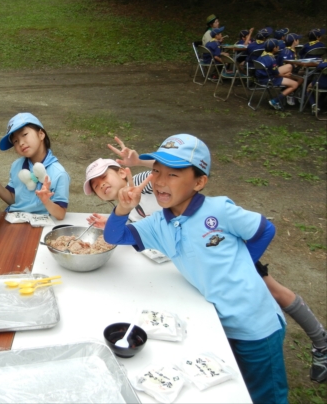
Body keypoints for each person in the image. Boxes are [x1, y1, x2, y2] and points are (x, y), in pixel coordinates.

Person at [87, 136, 327, 385]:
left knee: (264, 393)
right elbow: (115, 236)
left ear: (199, 182)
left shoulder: (219, 210)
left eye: (173, 175)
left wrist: (242, 264)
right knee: (237, 386)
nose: (159, 181)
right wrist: (122, 210)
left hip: (255, 326)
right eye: (156, 171)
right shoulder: (158, 224)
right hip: (216, 322)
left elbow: (264, 230)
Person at [0, 113, 69, 220]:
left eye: (24, 135)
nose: (21, 143)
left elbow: (60, 214)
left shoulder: (58, 173)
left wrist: (46, 201)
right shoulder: (17, 166)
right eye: (15, 141)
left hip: (41, 224)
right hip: (16, 219)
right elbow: (13, 200)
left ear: (41, 134)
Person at [255, 39, 300, 110]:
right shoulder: (272, 59)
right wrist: (286, 75)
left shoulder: (262, 55)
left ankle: (286, 89)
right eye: (277, 46)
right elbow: (276, 75)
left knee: (289, 66)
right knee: (295, 84)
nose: (279, 47)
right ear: (274, 48)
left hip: (261, 77)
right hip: (269, 79)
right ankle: (275, 101)